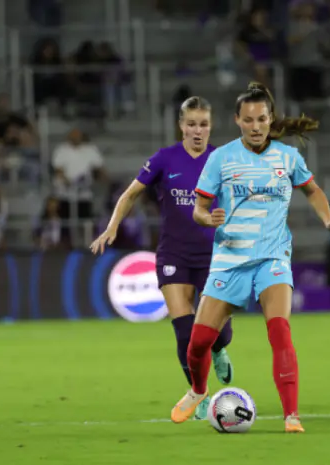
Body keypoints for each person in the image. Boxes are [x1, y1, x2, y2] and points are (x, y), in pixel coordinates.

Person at [168, 82, 330, 433]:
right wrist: (209, 217)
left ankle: (291, 415)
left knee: (280, 331)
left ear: (270, 119)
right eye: (248, 119)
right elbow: (199, 209)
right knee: (199, 342)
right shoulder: (221, 158)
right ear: (237, 120)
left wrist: (327, 218)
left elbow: (312, 190)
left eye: (261, 118)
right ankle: (198, 390)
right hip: (230, 259)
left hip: (272, 259)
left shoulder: (288, 157)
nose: (255, 126)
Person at [89, 96, 236, 421]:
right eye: (192, 124)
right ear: (181, 126)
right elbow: (130, 194)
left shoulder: (223, 161)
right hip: (174, 254)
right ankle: (199, 393)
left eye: (204, 124)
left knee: (218, 332)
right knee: (185, 332)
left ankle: (220, 348)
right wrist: (112, 227)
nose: (198, 131)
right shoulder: (164, 159)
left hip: (214, 256)